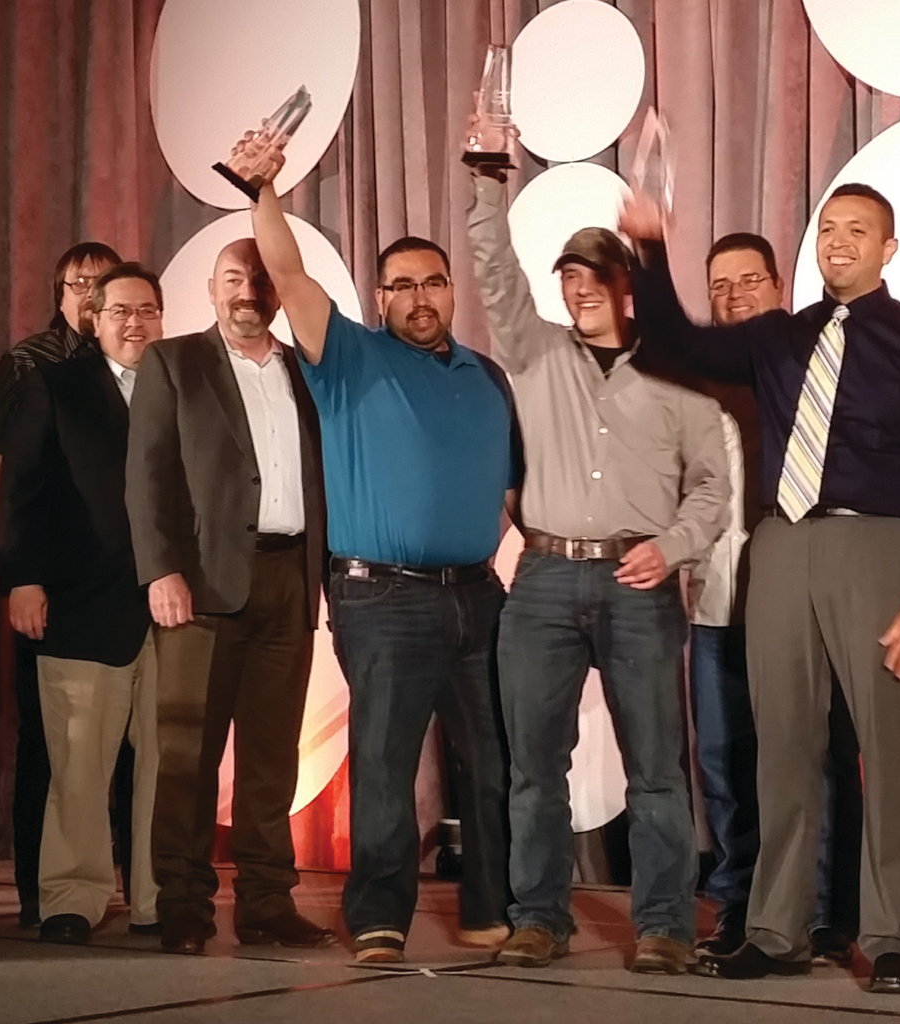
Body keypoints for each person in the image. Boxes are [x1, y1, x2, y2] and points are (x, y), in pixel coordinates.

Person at [622, 183, 900, 994]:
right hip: (782, 546)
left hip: (881, 547)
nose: (838, 242)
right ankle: (774, 929)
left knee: (888, 754)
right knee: (782, 747)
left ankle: (895, 938)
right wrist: (649, 249)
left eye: (858, 231)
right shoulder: (778, 340)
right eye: (828, 229)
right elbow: (675, 339)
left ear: (887, 250)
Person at [238, 133, 517, 964]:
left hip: (476, 593)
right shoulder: (346, 355)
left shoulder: (487, 375)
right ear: (379, 300)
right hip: (381, 597)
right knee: (386, 762)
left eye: (433, 281)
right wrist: (264, 191)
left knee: (495, 760)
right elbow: (287, 273)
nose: (420, 296)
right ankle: (379, 915)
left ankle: (490, 903)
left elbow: (512, 492)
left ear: (452, 290)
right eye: (401, 285)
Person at [465, 148, 729, 974]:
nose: (576, 290)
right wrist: (484, 177)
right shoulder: (536, 351)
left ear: (625, 284)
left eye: (592, 276)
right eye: (567, 278)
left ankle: (663, 927)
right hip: (542, 578)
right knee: (534, 769)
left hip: (636, 585)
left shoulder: (677, 374)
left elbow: (713, 491)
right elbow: (492, 266)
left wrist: (674, 547)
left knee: (656, 769)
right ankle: (539, 917)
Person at [125, 236, 332, 956]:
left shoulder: (306, 371)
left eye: (261, 280)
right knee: (187, 757)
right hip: (201, 584)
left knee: (274, 759)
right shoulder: (172, 363)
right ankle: (181, 904)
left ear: (279, 292)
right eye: (234, 279)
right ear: (212, 289)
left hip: (288, 581)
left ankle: (268, 903)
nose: (249, 292)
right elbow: (146, 475)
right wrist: (161, 571)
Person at [689, 233, 862, 968]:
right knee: (725, 761)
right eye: (720, 286)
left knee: (814, 758)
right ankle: (739, 906)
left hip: (802, 599)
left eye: (748, 282)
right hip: (715, 601)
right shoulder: (687, 378)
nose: (734, 297)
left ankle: (825, 913)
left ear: (778, 286)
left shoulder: (818, 366)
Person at [0, 263, 163, 945]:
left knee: (165, 766)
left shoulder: (180, 383)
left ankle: (158, 897)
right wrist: (24, 578)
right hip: (76, 604)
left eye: (148, 310)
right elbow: (20, 491)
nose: (135, 323)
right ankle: (74, 895)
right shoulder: (52, 385)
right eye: (120, 310)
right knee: (77, 767)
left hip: (171, 611)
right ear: (92, 318)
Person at [0, 241, 121, 926]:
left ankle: (105, 883)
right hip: (48, 581)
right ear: (59, 290)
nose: (93, 297)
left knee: (111, 744)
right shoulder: (28, 364)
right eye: (80, 283)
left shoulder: (135, 363)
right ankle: (43, 891)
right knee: (43, 738)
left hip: (115, 588)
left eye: (106, 284)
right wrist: (13, 571)